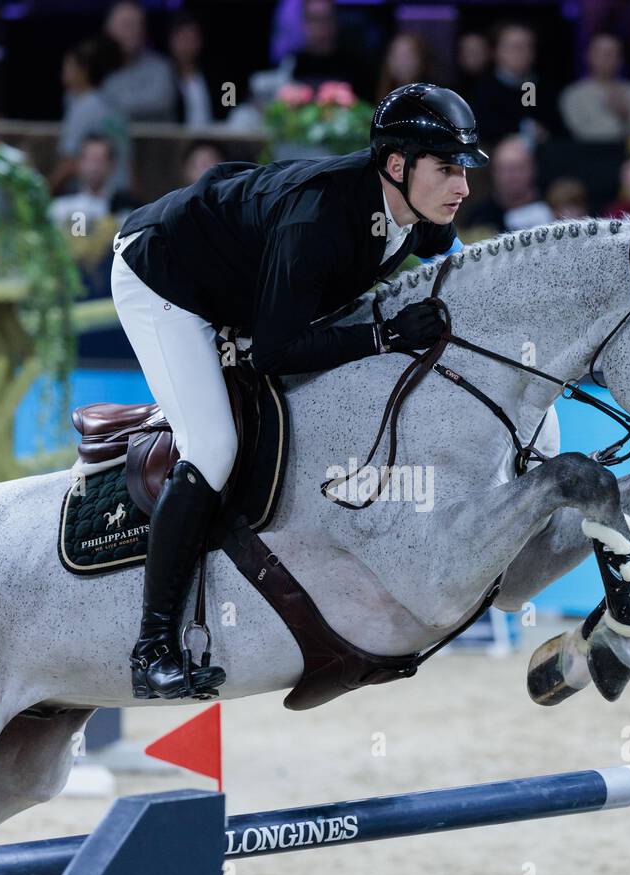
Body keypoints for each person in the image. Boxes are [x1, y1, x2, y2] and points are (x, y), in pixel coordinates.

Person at [110, 83, 484, 699]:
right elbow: (276, 353)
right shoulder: (320, 220)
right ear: (397, 165)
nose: (463, 187)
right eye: (446, 169)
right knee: (212, 447)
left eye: (464, 170)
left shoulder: (419, 215)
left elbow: (466, 265)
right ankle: (151, 647)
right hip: (165, 280)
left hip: (234, 273)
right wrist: (386, 335)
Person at [52, 36, 130, 196]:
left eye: (69, 65)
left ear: (83, 71)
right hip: (123, 193)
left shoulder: (84, 107)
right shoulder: (114, 106)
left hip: (98, 195)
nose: (64, 71)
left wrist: (46, 190)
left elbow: (70, 162)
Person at [471, 22, 563, 144]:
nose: (521, 53)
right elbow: (484, 129)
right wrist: (520, 129)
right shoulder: (482, 89)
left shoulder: (541, 88)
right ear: (495, 51)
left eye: (527, 46)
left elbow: (556, 128)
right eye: (514, 47)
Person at [559, 33, 630, 142]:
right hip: (596, 156)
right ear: (588, 56)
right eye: (602, 53)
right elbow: (584, 133)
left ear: (621, 60)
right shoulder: (574, 95)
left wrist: (629, 116)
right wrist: (622, 120)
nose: (608, 58)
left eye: (613, 53)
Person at [101, 1, 177, 122]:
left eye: (139, 25)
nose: (134, 31)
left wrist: (105, 104)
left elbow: (159, 102)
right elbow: (77, 102)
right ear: (108, 29)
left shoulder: (161, 67)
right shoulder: (94, 67)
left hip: (153, 139)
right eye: (127, 25)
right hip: (105, 139)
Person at [463, 134, 551, 233]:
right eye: (506, 170)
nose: (513, 177)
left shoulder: (553, 206)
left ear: (533, 169)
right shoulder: (478, 219)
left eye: (520, 168)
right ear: (494, 173)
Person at [48, 135, 139, 226]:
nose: (94, 167)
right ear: (78, 163)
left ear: (112, 164)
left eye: (100, 160)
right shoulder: (61, 206)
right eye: (90, 160)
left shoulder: (128, 208)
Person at [165, 11, 219, 127]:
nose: (186, 44)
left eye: (191, 38)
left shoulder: (217, 75)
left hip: (211, 140)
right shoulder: (162, 75)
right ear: (171, 40)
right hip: (175, 140)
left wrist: (230, 101)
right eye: (182, 38)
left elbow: (230, 103)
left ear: (200, 40)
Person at [375, 32, 434, 102]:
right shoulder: (383, 97)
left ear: (421, 59)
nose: (402, 61)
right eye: (396, 55)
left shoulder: (433, 96)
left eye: (408, 55)